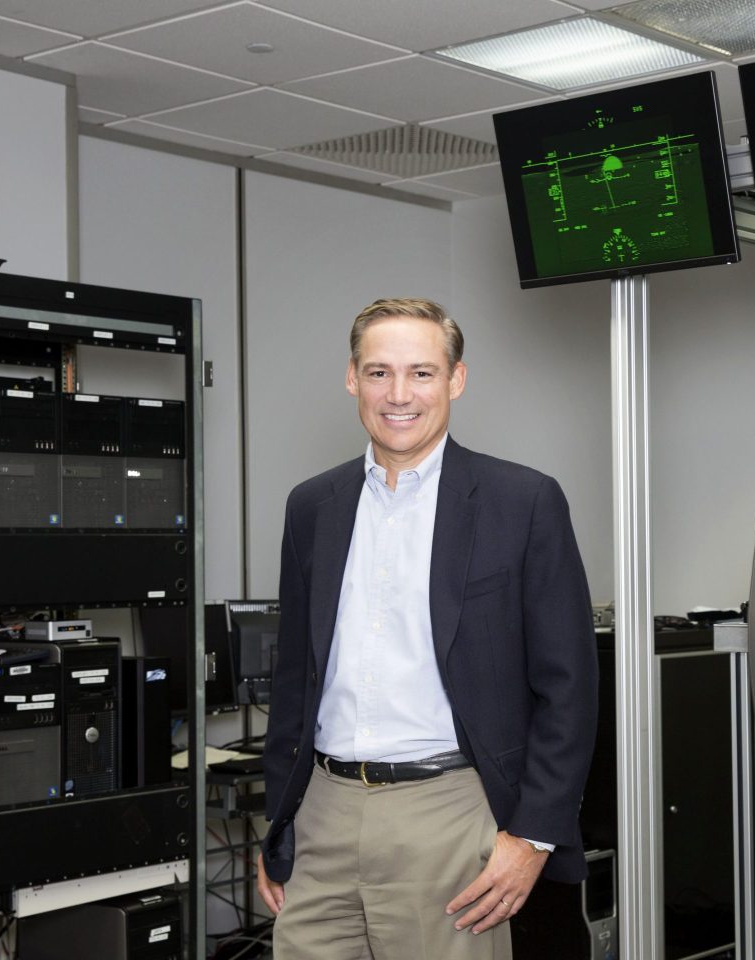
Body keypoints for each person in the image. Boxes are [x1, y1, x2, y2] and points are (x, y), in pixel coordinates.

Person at [255, 297, 598, 959]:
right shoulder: (312, 506)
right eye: (379, 372)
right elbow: (295, 676)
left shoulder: (522, 502)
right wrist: (280, 821)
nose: (398, 394)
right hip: (323, 812)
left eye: (421, 372)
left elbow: (570, 687)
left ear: (455, 380)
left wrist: (532, 836)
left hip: (448, 814)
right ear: (352, 379)